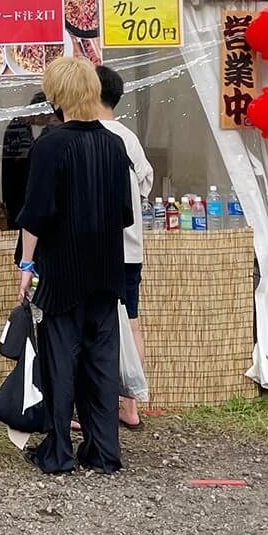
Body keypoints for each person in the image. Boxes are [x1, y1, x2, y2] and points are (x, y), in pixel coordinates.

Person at [15, 58, 132, 475]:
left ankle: (59, 450)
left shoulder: (51, 144)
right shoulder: (113, 143)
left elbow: (36, 214)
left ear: (57, 95)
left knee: (59, 359)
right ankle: (104, 451)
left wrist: (26, 264)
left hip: (62, 270)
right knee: (101, 362)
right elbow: (125, 214)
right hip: (106, 268)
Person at [96, 66, 153, 431]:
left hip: (94, 250)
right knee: (130, 322)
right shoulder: (128, 137)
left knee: (91, 326)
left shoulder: (86, 134)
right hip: (129, 248)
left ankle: (93, 404)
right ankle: (130, 406)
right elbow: (145, 185)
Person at [1, 92, 56, 228]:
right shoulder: (18, 126)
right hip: (18, 188)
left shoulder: (27, 127)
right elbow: (24, 156)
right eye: (48, 116)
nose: (48, 120)